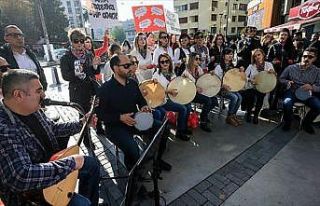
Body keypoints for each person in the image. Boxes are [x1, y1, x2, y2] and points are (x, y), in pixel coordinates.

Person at [0, 69, 100, 206]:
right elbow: (21, 176)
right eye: (38, 91)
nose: (44, 94)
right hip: (32, 196)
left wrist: (81, 123)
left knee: (91, 164)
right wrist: (71, 163)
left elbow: (52, 128)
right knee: (82, 204)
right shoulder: (4, 128)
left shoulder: (32, 109)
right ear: (18, 95)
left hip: (51, 168)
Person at [98, 54, 171, 171]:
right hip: (115, 127)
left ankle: (156, 159)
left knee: (162, 129)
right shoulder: (105, 89)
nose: (131, 68)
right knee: (133, 149)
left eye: (131, 65)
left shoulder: (132, 83)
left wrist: (144, 107)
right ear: (115, 68)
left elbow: (141, 100)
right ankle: (134, 181)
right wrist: (120, 117)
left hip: (134, 120)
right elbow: (100, 114)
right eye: (126, 66)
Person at [60, 29, 101, 148]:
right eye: (76, 41)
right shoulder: (66, 58)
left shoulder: (88, 54)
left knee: (95, 111)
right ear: (71, 42)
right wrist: (77, 72)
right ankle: (87, 140)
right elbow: (65, 76)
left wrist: (95, 66)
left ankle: (99, 129)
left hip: (91, 89)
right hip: (78, 92)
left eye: (82, 41)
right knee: (83, 116)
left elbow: (95, 72)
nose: (79, 43)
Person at [280, 47, 320, 134]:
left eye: (310, 57)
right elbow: (281, 79)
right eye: (304, 56)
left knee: (318, 106)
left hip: (308, 95)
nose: (306, 59)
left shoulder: (317, 71)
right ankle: (288, 122)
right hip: (292, 92)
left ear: (315, 59)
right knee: (287, 103)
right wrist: (287, 82)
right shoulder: (291, 68)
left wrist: (312, 87)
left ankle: (306, 123)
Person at [153, 53, 191, 141]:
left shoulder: (172, 73)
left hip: (173, 97)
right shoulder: (156, 75)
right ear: (159, 64)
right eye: (162, 62)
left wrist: (182, 79)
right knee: (183, 109)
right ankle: (180, 132)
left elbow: (176, 85)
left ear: (170, 62)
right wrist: (168, 91)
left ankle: (184, 127)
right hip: (163, 100)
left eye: (166, 61)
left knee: (188, 106)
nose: (165, 63)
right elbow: (155, 91)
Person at [0, 25, 47, 90]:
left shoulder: (30, 54)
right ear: (6, 38)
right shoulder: (3, 57)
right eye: (14, 35)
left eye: (20, 35)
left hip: (37, 94)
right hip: (18, 97)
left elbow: (40, 71)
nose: (19, 38)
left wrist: (44, 88)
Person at [183, 53, 218, 132]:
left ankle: (203, 115)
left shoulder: (198, 68)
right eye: (196, 59)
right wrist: (195, 88)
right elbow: (186, 86)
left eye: (199, 59)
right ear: (191, 60)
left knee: (214, 100)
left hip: (200, 92)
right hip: (190, 93)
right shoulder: (185, 72)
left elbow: (203, 79)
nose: (199, 61)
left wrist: (209, 74)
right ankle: (203, 122)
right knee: (208, 100)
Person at [243, 48, 275, 124]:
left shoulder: (269, 64)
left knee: (260, 98)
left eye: (259, 54)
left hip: (263, 87)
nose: (257, 57)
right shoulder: (251, 66)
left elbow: (274, 77)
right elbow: (244, 76)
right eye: (255, 56)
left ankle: (256, 115)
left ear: (263, 55)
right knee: (251, 97)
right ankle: (249, 113)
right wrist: (250, 80)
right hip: (252, 86)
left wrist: (272, 72)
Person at [267, 28, 296, 110]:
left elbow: (295, 59)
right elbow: (268, 59)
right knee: (272, 89)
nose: (283, 36)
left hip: (285, 72)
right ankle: (269, 107)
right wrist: (273, 61)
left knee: (280, 90)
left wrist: (292, 60)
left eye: (285, 35)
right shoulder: (274, 46)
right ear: (279, 36)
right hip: (275, 71)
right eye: (282, 34)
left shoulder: (291, 47)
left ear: (288, 37)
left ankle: (275, 106)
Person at [214, 48, 243, 126]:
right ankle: (229, 117)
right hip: (221, 88)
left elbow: (234, 77)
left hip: (231, 88)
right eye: (228, 54)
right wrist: (223, 85)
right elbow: (216, 80)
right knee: (234, 97)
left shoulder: (232, 66)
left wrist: (240, 71)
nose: (230, 55)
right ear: (223, 56)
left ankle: (233, 115)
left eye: (231, 54)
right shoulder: (219, 67)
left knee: (240, 97)